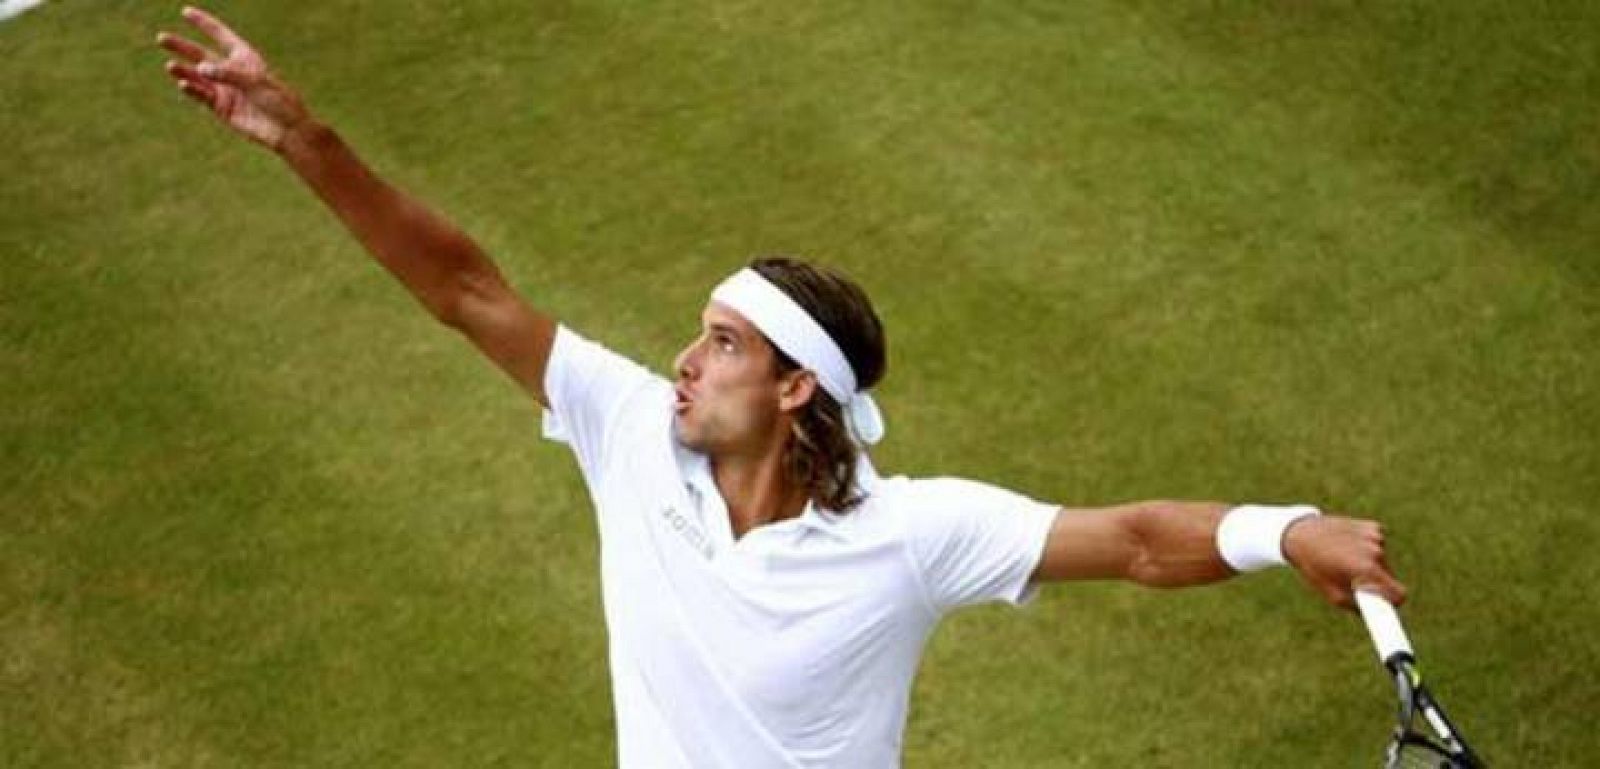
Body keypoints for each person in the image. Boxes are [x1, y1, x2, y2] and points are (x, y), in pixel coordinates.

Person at [157, 7, 1407, 767]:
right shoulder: (631, 433)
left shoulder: (912, 534)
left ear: (797, 386)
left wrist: (1280, 529)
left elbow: (1132, 543)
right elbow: (466, 289)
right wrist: (305, 140)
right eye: (697, 338)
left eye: (721, 343)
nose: (685, 362)